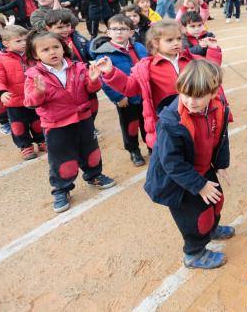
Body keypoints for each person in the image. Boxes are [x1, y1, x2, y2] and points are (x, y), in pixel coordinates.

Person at [144, 59, 234, 269]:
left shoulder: (218, 107)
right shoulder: (171, 122)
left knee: (216, 202)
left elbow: (220, 136)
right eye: (185, 94)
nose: (191, 101)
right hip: (177, 180)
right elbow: (172, 163)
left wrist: (221, 164)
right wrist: (199, 185)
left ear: (213, 93)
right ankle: (194, 253)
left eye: (198, 96)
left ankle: (212, 229)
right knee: (196, 217)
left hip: (201, 168)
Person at [24, 31, 115, 213]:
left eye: (56, 47)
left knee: (91, 151)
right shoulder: (34, 75)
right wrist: (39, 92)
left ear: (63, 48)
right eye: (45, 49)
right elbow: (30, 102)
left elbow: (91, 88)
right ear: (35, 55)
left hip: (83, 119)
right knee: (62, 160)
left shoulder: (78, 67)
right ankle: (61, 188)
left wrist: (94, 80)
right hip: (56, 124)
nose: (52, 52)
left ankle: (94, 175)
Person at [99, 19, 222, 150]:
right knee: (174, 153)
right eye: (169, 40)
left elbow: (211, 73)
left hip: (195, 115)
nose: (176, 43)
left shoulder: (191, 59)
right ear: (155, 43)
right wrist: (110, 72)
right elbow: (130, 88)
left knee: (197, 148)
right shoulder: (146, 67)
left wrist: (213, 50)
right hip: (168, 122)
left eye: (179, 38)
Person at [89, 14, 150, 166]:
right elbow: (104, 79)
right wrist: (117, 97)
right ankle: (133, 150)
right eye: (114, 29)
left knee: (148, 122)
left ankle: (152, 146)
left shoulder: (139, 47)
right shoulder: (103, 53)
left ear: (131, 32)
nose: (118, 32)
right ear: (108, 33)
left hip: (144, 94)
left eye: (123, 29)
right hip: (126, 98)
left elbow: (148, 65)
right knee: (130, 124)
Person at [0, 25, 44, 159]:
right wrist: (1, 92)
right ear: (6, 43)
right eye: (18, 41)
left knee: (38, 121)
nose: (24, 43)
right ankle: (25, 146)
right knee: (19, 126)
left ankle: (41, 140)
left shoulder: (33, 55)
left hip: (33, 97)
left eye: (25, 40)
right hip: (14, 101)